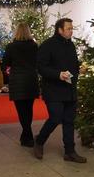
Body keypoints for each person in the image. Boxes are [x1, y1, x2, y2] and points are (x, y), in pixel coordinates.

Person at [34, 18, 86, 163]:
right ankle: (39, 141)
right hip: (53, 90)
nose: (71, 31)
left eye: (72, 28)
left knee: (69, 120)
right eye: (69, 28)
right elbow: (41, 68)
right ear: (60, 30)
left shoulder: (70, 45)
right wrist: (58, 74)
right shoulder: (47, 45)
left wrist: (79, 68)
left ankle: (70, 152)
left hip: (69, 90)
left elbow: (73, 65)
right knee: (55, 118)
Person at [3, 23, 39, 147]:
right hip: (31, 80)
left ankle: (27, 136)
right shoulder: (34, 46)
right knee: (28, 109)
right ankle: (26, 136)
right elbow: (37, 62)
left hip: (17, 81)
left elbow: (5, 63)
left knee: (21, 110)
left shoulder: (11, 47)